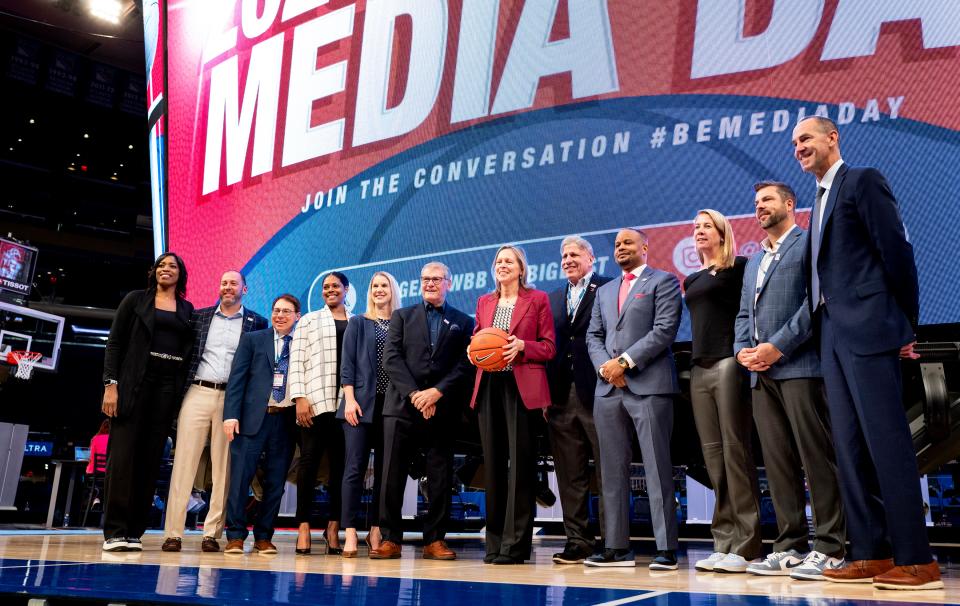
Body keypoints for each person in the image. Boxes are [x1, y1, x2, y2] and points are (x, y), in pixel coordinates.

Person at [793, 116, 942, 590]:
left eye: (807, 138)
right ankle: (870, 552)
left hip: (871, 329)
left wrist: (905, 325)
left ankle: (917, 559)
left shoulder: (863, 181)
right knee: (849, 449)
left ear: (833, 138)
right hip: (831, 336)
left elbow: (897, 253)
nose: (800, 148)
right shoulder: (816, 202)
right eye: (794, 143)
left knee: (887, 444)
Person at [734, 181, 846, 579]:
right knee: (778, 462)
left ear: (789, 203)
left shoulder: (807, 243)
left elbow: (812, 303)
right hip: (760, 375)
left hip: (800, 367)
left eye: (766, 200)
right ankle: (790, 544)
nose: (759, 207)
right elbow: (744, 315)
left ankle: (831, 546)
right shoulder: (753, 259)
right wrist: (741, 351)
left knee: (816, 457)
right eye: (756, 203)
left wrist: (776, 347)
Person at [584, 228, 681, 569]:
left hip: (649, 386)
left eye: (627, 242)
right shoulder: (605, 290)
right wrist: (607, 369)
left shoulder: (664, 281)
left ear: (645, 246)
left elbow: (664, 330)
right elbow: (593, 336)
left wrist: (625, 362)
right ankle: (616, 546)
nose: (621, 248)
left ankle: (666, 549)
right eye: (616, 244)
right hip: (608, 390)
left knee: (657, 468)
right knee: (611, 471)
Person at [370, 262, 474, 561]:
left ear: (449, 283)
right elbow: (391, 359)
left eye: (436, 279)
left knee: (440, 476)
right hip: (402, 407)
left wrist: (436, 394)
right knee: (391, 474)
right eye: (425, 279)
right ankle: (390, 539)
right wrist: (417, 395)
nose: (430, 283)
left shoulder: (463, 322)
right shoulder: (402, 316)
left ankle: (435, 541)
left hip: (441, 410)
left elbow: (465, 366)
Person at [162, 270, 268, 553]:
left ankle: (212, 534)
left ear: (244, 289)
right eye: (223, 282)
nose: (227, 287)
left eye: (233, 283)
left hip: (232, 400)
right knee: (184, 463)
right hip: (197, 391)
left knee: (224, 469)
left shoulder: (257, 322)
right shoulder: (199, 316)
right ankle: (173, 532)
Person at [683, 210, 761, 574]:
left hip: (730, 363)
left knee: (735, 453)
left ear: (721, 232)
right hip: (699, 370)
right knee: (714, 458)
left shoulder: (741, 268)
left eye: (705, 227)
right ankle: (723, 539)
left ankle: (746, 544)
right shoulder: (693, 278)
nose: (699, 232)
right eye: (695, 228)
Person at [101, 252, 195, 552]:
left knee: (150, 460)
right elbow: (115, 343)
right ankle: (115, 530)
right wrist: (111, 385)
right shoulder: (134, 300)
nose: (166, 269)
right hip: (133, 386)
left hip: (166, 389)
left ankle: (134, 531)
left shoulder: (187, 308)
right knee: (123, 458)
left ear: (180, 274)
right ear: (153, 271)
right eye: (162, 265)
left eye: (173, 266)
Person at [469, 245, 556, 565]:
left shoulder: (538, 300)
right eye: (498, 261)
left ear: (521, 269)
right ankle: (493, 544)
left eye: (509, 261)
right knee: (492, 467)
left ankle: (516, 546)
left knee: (520, 467)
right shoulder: (484, 302)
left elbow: (548, 347)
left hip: (523, 389)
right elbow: (479, 340)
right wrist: (473, 351)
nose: (502, 265)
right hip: (490, 385)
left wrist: (523, 345)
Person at [545, 236, 610, 564]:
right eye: (564, 255)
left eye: (575, 254)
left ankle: (613, 542)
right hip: (559, 396)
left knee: (609, 469)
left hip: (599, 391)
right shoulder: (553, 297)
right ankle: (578, 541)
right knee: (570, 475)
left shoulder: (608, 287)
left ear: (591, 258)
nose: (568, 259)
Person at [222, 294, 301, 554]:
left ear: (297, 316)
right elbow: (237, 380)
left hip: (285, 420)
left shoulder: (302, 344)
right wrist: (231, 415)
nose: (279, 315)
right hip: (251, 419)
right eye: (276, 310)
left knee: (275, 484)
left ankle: (264, 537)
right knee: (240, 479)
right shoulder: (253, 340)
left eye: (286, 311)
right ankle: (234, 535)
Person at [338, 272, 403, 556]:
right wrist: (349, 400)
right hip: (359, 406)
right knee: (354, 469)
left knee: (385, 475)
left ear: (393, 290)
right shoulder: (358, 323)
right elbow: (347, 364)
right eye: (375, 286)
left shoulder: (403, 323)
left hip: (391, 408)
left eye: (384, 285)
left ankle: (376, 529)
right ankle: (350, 532)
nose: (379, 290)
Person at [289, 272, 351, 554]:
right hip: (314, 402)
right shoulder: (309, 320)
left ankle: (333, 527)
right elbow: (297, 360)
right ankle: (303, 526)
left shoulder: (357, 320)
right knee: (309, 464)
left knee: (340, 468)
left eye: (335, 286)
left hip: (345, 404)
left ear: (346, 289)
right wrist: (299, 397)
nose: (329, 290)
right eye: (325, 287)